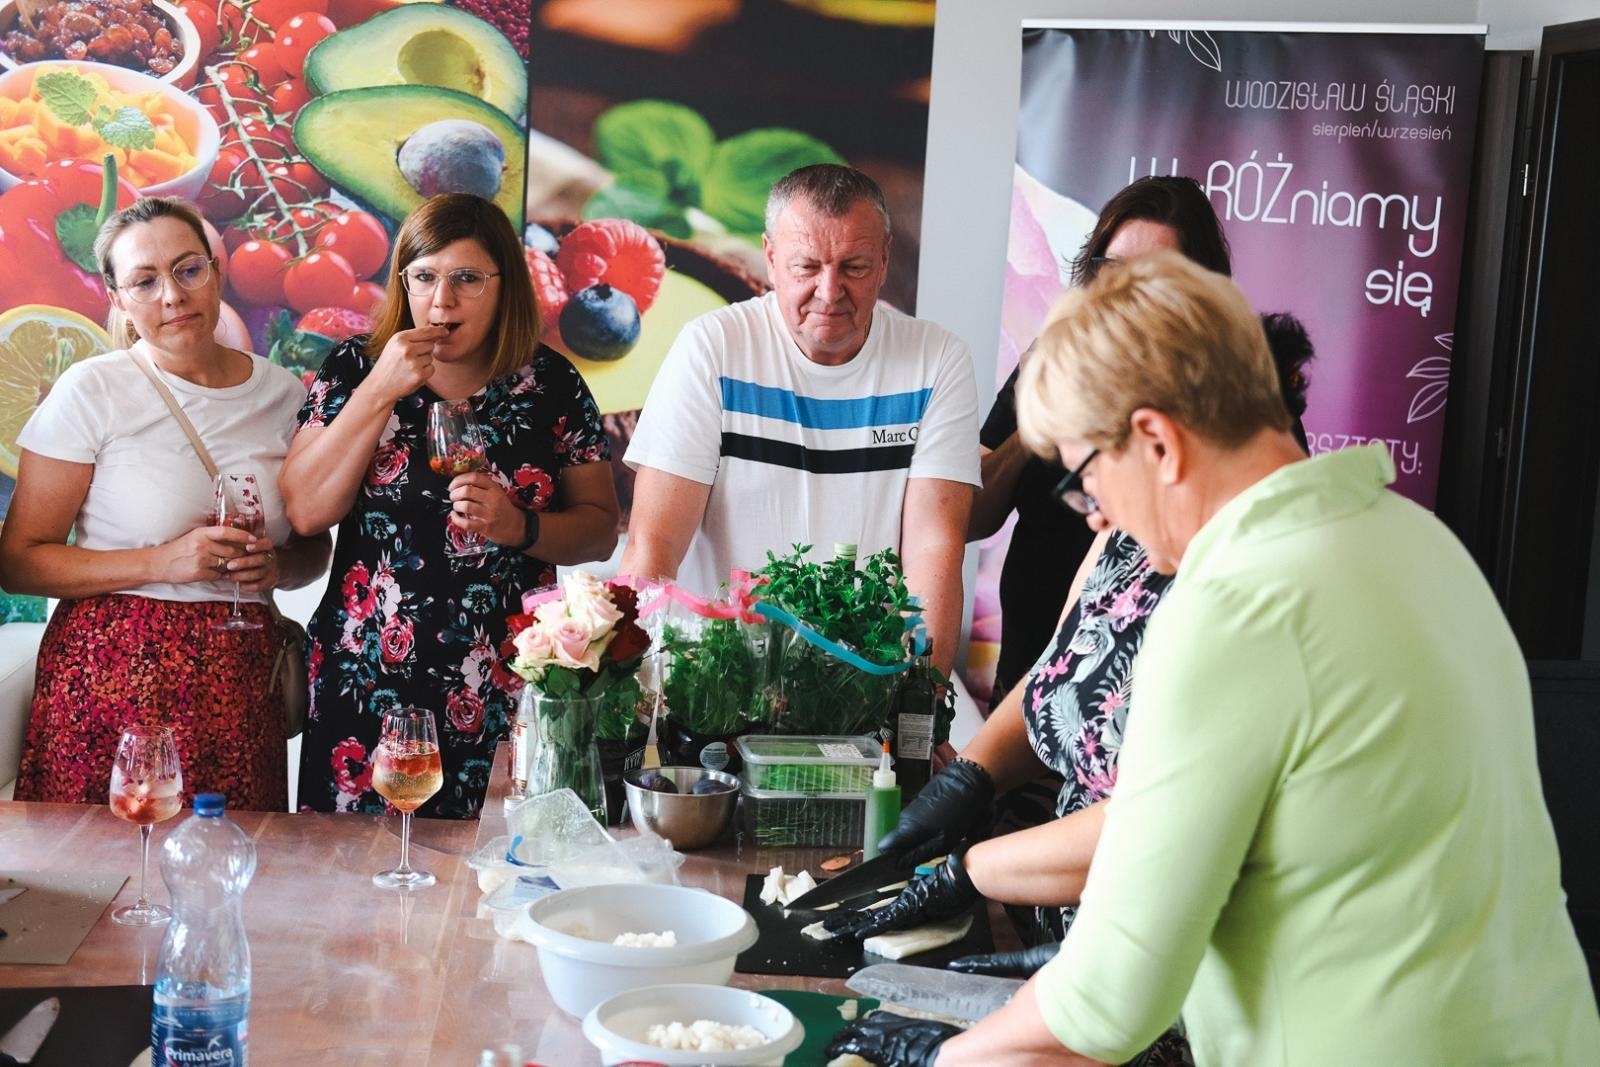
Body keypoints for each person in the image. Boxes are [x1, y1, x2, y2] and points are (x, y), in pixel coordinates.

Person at [827, 252, 1600, 1066]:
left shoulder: (1237, 603)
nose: (1096, 519)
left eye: (1088, 476)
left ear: (1157, 441)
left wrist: (939, 1054)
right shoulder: (1419, 539)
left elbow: (1105, 1003)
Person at [280, 193, 619, 820]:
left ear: (503, 287)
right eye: (426, 277)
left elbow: (599, 530)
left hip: (503, 680)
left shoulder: (552, 385)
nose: (443, 301)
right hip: (366, 676)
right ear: (402, 281)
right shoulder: (356, 366)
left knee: (483, 882)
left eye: (467, 279)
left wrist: (520, 525)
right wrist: (381, 386)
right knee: (353, 881)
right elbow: (304, 510)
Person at [0, 196, 331, 811]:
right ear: (119, 298)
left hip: (241, 678)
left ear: (216, 272)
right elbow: (19, 560)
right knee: (100, 881)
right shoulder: (91, 390)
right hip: (111, 676)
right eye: (144, 282)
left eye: (187, 270)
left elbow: (314, 546)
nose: (172, 296)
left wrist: (280, 569)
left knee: (233, 874)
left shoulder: (284, 395)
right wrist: (164, 561)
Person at [619, 164, 979, 673]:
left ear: (884, 259)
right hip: (722, 673)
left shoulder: (936, 358)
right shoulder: (714, 346)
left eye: (853, 267)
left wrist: (925, 699)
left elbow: (934, 547)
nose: (830, 293)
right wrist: (628, 688)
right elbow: (654, 544)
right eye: (807, 267)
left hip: (867, 676)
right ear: (769, 257)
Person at [972, 176, 1232, 710]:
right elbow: (972, 515)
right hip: (1027, 679)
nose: (1126, 297)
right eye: (1113, 274)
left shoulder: (1228, 397)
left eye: (1153, 279)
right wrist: (1049, 412)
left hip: (1144, 706)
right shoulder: (1055, 357)